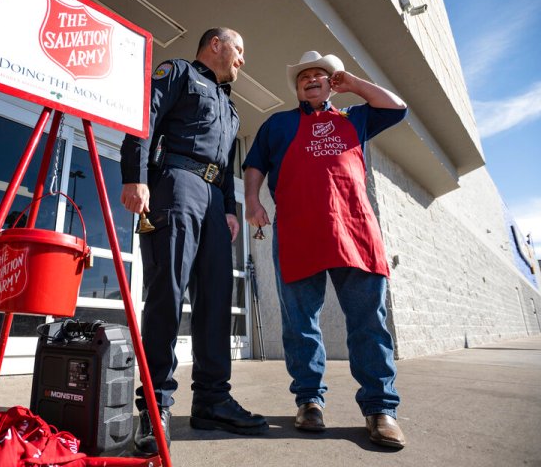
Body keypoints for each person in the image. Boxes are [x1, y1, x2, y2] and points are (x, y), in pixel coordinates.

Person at [243, 51, 408, 449]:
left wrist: (353, 85)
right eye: (304, 77)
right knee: (300, 324)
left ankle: (380, 409)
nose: (311, 80)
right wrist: (252, 201)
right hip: (299, 231)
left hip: (354, 229)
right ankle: (309, 402)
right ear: (297, 88)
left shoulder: (356, 117)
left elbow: (397, 106)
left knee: (369, 322)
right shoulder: (278, 124)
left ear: (331, 82)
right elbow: (254, 165)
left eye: (320, 75)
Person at [120, 27, 267, 455]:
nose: (242, 60)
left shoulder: (232, 109)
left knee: (217, 301)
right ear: (216, 45)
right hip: (174, 184)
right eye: (239, 49)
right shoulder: (180, 73)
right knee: (167, 290)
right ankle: (154, 406)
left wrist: (229, 210)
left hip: (213, 199)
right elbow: (144, 117)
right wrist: (136, 175)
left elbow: (225, 167)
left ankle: (212, 400)